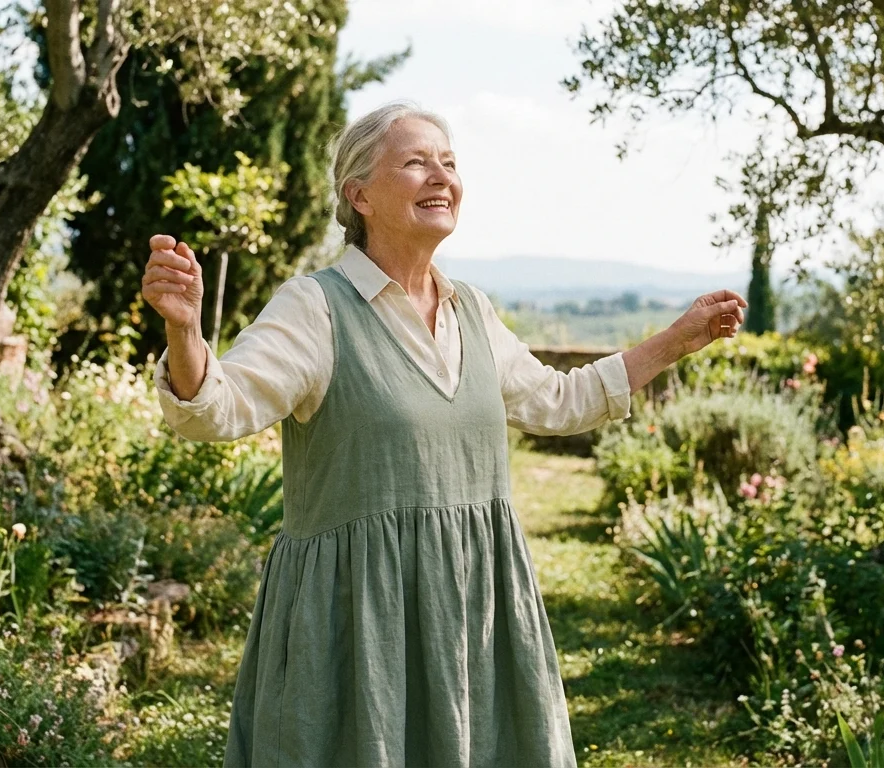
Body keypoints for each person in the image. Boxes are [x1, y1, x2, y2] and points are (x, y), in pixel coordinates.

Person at [142, 100, 746, 768]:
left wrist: (676, 340)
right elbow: (217, 409)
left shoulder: (472, 311)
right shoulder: (316, 307)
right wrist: (185, 332)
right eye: (416, 162)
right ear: (359, 195)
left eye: (450, 163)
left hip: (476, 607)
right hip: (357, 619)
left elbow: (560, 400)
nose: (442, 176)